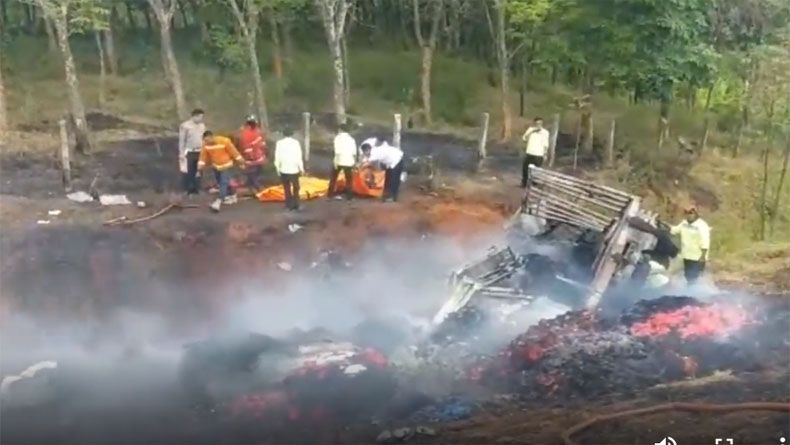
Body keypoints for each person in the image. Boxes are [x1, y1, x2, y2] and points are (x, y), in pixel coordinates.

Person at [198, 131, 245, 212]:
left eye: (208, 140)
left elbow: (234, 152)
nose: (207, 142)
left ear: (212, 137)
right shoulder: (205, 145)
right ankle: (231, 195)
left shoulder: (224, 141)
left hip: (226, 165)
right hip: (216, 166)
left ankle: (218, 202)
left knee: (224, 182)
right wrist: (199, 168)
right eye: (205, 141)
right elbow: (202, 157)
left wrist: (241, 162)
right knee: (220, 182)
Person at [670, 206, 711, 285]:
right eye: (687, 213)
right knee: (688, 276)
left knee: (694, 277)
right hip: (686, 254)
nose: (689, 215)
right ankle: (690, 291)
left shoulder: (702, 225)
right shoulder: (684, 223)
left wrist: (703, 256)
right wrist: (664, 226)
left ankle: (695, 292)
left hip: (697, 257)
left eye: (691, 213)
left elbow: (705, 241)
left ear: (696, 214)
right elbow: (674, 230)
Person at [360, 137, 404, 202]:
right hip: (391, 161)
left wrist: (359, 167)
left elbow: (368, 165)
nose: (365, 154)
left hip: (396, 160)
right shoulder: (374, 151)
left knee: (394, 179)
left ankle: (392, 197)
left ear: (368, 150)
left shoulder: (374, 153)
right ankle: (388, 195)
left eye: (365, 152)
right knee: (388, 178)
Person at [274, 128, 304, 211]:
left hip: (284, 169)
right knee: (296, 188)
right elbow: (299, 156)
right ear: (292, 134)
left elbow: (277, 157)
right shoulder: (296, 143)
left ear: (283, 134)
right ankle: (296, 204)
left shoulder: (279, 143)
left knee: (286, 188)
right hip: (294, 169)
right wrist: (301, 168)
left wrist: (277, 168)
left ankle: (288, 205)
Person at [178, 109, 206, 195]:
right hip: (189, 151)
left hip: (200, 151)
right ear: (194, 116)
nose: (201, 119)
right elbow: (182, 140)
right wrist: (181, 153)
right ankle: (188, 189)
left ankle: (197, 188)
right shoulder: (185, 126)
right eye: (200, 117)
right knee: (188, 170)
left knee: (199, 170)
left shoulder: (202, 126)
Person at [238, 115, 267, 193]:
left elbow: (262, 142)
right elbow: (246, 147)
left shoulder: (257, 131)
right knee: (252, 174)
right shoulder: (246, 133)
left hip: (258, 157)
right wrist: (251, 157)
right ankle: (257, 188)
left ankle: (253, 187)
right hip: (252, 158)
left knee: (256, 173)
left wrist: (264, 152)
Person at [327, 124, 357, 200]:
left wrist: (335, 161)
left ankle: (330, 194)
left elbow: (337, 151)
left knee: (333, 178)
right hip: (349, 161)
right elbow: (354, 153)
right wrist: (354, 162)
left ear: (340, 130)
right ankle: (349, 196)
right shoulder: (351, 139)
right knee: (349, 180)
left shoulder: (338, 138)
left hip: (339, 160)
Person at [520, 116, 550, 188]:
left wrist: (545, 154)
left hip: (539, 153)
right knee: (525, 168)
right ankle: (524, 182)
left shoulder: (545, 132)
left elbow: (546, 144)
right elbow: (524, 138)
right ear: (534, 123)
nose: (538, 125)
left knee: (536, 169)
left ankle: (534, 183)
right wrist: (531, 131)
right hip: (529, 152)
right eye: (537, 123)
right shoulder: (530, 130)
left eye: (540, 123)